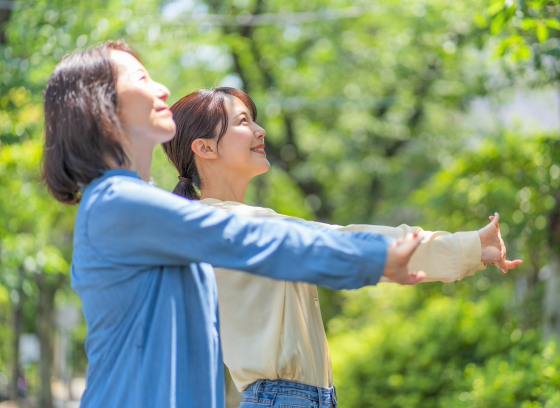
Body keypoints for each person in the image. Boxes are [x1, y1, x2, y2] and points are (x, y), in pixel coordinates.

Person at [42, 41, 441, 408]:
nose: (162, 88)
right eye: (142, 78)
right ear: (99, 105)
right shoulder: (118, 204)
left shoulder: (137, 208)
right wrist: (372, 258)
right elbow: (248, 239)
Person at [162, 87, 521, 408]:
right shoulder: (232, 225)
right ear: (205, 147)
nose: (260, 130)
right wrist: (469, 246)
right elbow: (343, 240)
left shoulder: (217, 225)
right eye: (243, 122)